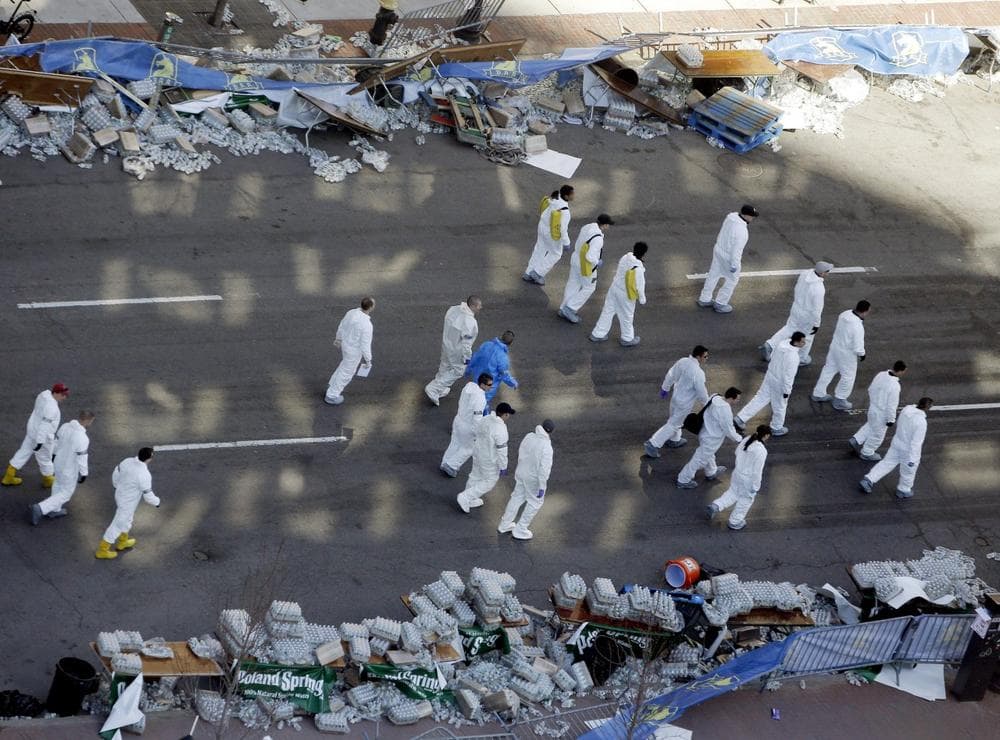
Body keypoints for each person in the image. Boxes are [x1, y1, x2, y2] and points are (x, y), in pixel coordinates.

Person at [643, 346, 710, 458]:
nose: (707, 358)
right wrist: (707, 405)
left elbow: (671, 374)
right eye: (705, 356)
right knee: (674, 424)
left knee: (674, 420)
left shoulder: (682, 361)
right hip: (684, 403)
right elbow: (702, 393)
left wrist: (665, 388)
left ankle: (674, 439)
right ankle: (653, 443)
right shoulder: (698, 373)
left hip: (675, 398)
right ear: (698, 357)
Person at [761, 262, 833, 366]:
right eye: (827, 272)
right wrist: (816, 324)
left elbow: (796, 288)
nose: (828, 273)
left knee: (789, 328)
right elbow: (817, 309)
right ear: (822, 273)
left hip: (796, 308)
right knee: (808, 336)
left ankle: (770, 344)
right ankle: (801, 358)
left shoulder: (805, 274)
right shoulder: (819, 288)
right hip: (807, 315)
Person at [735, 332, 806, 436]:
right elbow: (789, 377)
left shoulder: (782, 344)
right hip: (780, 383)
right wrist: (787, 391)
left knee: (760, 398)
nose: (804, 343)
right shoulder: (794, 357)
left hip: (770, 376)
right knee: (780, 405)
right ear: (797, 342)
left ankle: (740, 418)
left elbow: (772, 357)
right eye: (803, 341)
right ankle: (776, 427)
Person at [30, 410, 95, 525]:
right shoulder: (83, 438)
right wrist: (84, 473)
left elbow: (56, 443)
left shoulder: (65, 426)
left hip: (58, 462)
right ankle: (41, 508)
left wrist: (54, 456)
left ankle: (55, 510)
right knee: (66, 493)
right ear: (88, 421)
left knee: (58, 484)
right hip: (69, 468)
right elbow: (82, 458)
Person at [95, 447, 160, 560]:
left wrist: (116, 485)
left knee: (127, 519)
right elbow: (148, 496)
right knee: (117, 524)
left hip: (119, 495)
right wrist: (157, 502)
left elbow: (116, 472)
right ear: (149, 459)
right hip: (128, 502)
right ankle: (102, 550)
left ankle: (123, 541)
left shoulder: (127, 461)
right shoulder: (144, 475)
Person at [860, 397, 931, 499]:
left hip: (897, 443)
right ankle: (903, 490)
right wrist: (913, 459)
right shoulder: (921, 422)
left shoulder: (906, 410)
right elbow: (916, 443)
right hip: (908, 450)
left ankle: (869, 479)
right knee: (908, 472)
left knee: (886, 463)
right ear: (928, 407)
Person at [3, 383, 69, 488]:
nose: (65, 397)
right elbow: (45, 426)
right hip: (43, 438)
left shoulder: (43, 395)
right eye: (63, 395)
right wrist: (40, 441)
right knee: (45, 459)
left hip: (32, 431)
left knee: (23, 452)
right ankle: (48, 480)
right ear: (56, 393)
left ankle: (9, 476)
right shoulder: (52, 408)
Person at [498, 419, 554, 540]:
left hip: (521, 472)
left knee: (517, 497)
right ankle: (521, 529)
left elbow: (521, 451)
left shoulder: (529, 436)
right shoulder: (547, 447)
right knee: (535, 502)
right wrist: (542, 486)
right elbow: (544, 470)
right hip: (533, 479)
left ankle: (504, 524)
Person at [676, 387, 743, 489]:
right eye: (737, 399)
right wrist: (739, 439)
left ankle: (711, 472)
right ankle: (683, 479)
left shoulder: (715, 396)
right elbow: (729, 429)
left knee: (708, 454)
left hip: (704, 431)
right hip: (712, 438)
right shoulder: (725, 410)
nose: (738, 401)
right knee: (699, 459)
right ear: (732, 398)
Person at [707, 425, 771, 530]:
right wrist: (756, 486)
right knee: (746, 499)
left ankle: (717, 505)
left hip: (737, 473)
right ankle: (735, 521)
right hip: (748, 479)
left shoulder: (747, 439)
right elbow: (757, 471)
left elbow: (736, 452)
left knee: (733, 492)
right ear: (766, 435)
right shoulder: (761, 451)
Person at [697, 205, 758, 313]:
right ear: (747, 215)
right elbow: (736, 251)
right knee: (731, 280)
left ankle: (704, 298)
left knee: (713, 274)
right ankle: (721, 303)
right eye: (752, 216)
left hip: (718, 249)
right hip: (728, 256)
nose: (753, 218)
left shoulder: (730, 217)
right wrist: (734, 264)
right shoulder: (742, 231)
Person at [457, 402, 515, 513]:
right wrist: (503, 467)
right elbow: (502, 451)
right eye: (508, 414)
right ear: (505, 415)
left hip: (478, 452)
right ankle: (466, 497)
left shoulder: (486, 418)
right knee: (490, 481)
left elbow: (477, 430)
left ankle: (469, 499)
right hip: (489, 459)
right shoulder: (501, 430)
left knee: (475, 475)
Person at [812, 300, 870, 410]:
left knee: (828, 370)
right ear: (865, 311)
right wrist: (862, 354)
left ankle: (818, 393)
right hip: (846, 354)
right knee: (848, 376)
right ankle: (840, 399)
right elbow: (858, 345)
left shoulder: (844, 314)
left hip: (835, 347)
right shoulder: (857, 326)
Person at [425, 296, 482, 406]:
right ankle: (434, 388)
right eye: (479, 306)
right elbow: (466, 344)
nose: (481, 307)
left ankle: (439, 388)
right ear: (473, 306)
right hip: (457, 350)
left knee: (445, 366)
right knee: (458, 371)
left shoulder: (453, 309)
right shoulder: (470, 322)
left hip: (447, 344)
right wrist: (467, 358)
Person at [589, 241, 647, 347]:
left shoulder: (625, 257)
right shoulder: (638, 268)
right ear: (643, 253)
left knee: (608, 311)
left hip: (614, 288)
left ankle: (598, 333)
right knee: (627, 316)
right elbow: (640, 286)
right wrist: (642, 299)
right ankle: (627, 338)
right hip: (626, 295)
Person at [559, 214, 614, 323]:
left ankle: (563, 307)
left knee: (573, 284)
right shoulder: (598, 239)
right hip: (585, 265)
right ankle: (570, 308)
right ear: (604, 225)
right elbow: (589, 256)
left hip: (575, 259)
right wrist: (598, 262)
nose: (609, 227)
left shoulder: (587, 227)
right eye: (608, 225)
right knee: (589, 287)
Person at [850, 361, 907, 462]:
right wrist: (891, 419)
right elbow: (891, 405)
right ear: (900, 371)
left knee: (870, 425)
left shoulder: (881, 375)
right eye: (904, 372)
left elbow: (870, 389)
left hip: (873, 408)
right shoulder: (895, 386)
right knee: (877, 434)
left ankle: (856, 439)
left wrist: (874, 401)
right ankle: (867, 452)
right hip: (882, 414)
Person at [440, 374, 492, 478]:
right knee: (469, 448)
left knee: (455, 443)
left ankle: (445, 462)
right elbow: (477, 419)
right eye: (489, 384)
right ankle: (451, 465)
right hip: (468, 426)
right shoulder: (480, 399)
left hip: (458, 420)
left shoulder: (468, 387)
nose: (491, 386)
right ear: (482, 384)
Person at [325, 297, 375, 405]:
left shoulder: (351, 312)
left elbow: (342, 326)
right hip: (354, 351)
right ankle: (332, 395)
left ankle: (332, 385)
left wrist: (338, 338)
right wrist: (368, 360)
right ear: (371, 307)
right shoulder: (367, 325)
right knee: (347, 372)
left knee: (343, 366)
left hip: (345, 345)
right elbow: (365, 344)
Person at [523, 184, 574, 285]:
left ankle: (528, 272)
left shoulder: (555, 198)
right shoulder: (565, 212)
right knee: (555, 254)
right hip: (551, 233)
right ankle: (537, 273)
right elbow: (562, 229)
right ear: (567, 196)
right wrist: (566, 242)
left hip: (542, 227)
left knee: (539, 249)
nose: (574, 196)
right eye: (572, 194)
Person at [466, 331, 518, 411]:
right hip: (489, 384)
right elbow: (504, 374)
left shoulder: (486, 344)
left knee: (475, 397)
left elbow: (475, 357)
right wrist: (513, 383)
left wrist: (468, 370)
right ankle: (482, 418)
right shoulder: (503, 357)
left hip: (477, 378)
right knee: (483, 402)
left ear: (501, 336)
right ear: (510, 343)